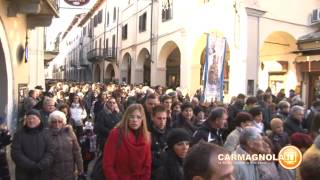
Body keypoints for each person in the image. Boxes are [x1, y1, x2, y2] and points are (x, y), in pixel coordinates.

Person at [103, 104, 151, 180]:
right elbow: (108, 164)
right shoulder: (116, 134)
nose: (135, 120)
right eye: (131, 116)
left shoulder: (147, 136)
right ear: (126, 118)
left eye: (138, 117)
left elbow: (147, 165)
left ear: (142, 119)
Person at [11, 109, 56, 180]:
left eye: (34, 118)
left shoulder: (46, 134)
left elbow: (51, 152)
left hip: (43, 173)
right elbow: (15, 153)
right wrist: (31, 166)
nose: (31, 121)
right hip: (24, 173)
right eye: (29, 118)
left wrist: (41, 165)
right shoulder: (19, 135)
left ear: (39, 120)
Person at [48, 110, 84, 180]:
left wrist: (80, 168)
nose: (57, 124)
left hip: (69, 171)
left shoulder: (69, 133)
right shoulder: (47, 135)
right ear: (50, 123)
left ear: (64, 122)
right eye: (54, 122)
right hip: (53, 172)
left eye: (60, 121)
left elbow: (77, 151)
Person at [150, 105, 169, 179]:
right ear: (152, 117)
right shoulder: (147, 133)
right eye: (159, 118)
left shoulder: (169, 132)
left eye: (164, 118)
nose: (162, 121)